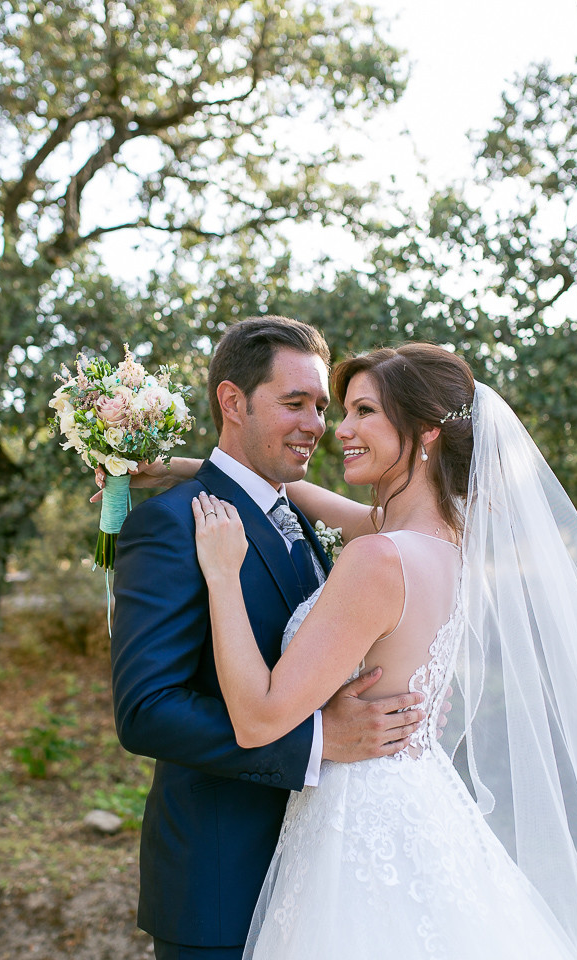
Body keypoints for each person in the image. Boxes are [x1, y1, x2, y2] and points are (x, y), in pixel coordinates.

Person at [188, 343, 577, 959]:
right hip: (415, 799)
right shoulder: (440, 539)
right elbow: (295, 496)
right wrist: (196, 471)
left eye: (363, 412)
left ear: (425, 431)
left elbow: (260, 717)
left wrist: (222, 575)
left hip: (360, 819)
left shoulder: (378, 558)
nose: (338, 430)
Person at [109, 317, 430, 960]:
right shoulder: (173, 525)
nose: (318, 424)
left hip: (322, 874)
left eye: (321, 406)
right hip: (220, 888)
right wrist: (318, 738)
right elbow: (146, 712)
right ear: (232, 402)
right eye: (295, 403)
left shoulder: (302, 519)